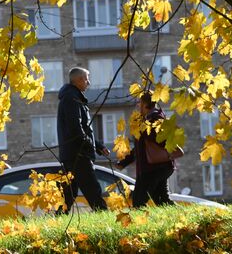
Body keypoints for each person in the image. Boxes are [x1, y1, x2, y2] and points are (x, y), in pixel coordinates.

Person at [57, 67, 109, 212]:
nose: (89, 82)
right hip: (78, 153)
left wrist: (97, 146)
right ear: (79, 80)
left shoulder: (73, 97)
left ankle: (59, 219)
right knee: (93, 190)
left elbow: (84, 128)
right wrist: (88, 145)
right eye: (86, 79)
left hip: (73, 153)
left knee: (69, 194)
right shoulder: (71, 98)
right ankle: (105, 219)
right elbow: (76, 126)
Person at [116, 92, 175, 207]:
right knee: (162, 201)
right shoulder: (153, 118)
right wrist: (124, 162)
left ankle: (139, 223)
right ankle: (180, 219)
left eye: (140, 103)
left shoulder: (153, 121)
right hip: (159, 166)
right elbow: (142, 147)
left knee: (138, 201)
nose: (138, 106)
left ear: (145, 104)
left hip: (152, 168)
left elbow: (153, 144)